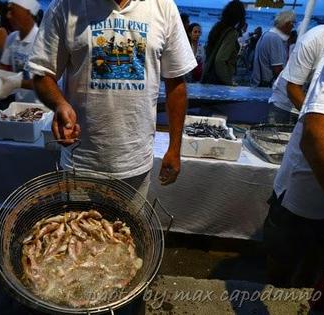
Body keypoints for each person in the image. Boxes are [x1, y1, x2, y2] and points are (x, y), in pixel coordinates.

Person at [27, 0, 197, 196]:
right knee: (74, 225)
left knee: (129, 226)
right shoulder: (66, 5)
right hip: (80, 162)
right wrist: (59, 103)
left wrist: (175, 149)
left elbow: (176, 84)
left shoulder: (163, 6)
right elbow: (42, 73)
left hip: (135, 164)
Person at [263, 34, 324, 288]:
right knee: (283, 254)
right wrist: (311, 114)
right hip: (302, 183)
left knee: (317, 257)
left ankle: (303, 294)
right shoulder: (317, 37)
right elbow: (292, 86)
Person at [267, 24, 324, 125]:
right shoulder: (314, 39)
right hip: (286, 106)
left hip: (314, 107)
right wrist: (314, 119)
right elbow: (292, 88)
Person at [0, 0, 40, 102]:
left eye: (12, 11)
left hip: (41, 108)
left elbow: (46, 82)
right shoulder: (12, 38)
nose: (8, 16)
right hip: (20, 105)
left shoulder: (41, 40)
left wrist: (16, 83)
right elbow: (2, 67)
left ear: (28, 12)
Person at [202, 0, 246, 86]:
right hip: (218, 82)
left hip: (208, 77)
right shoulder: (232, 33)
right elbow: (220, 60)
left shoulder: (218, 28)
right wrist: (229, 82)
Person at [251, 10, 296, 87]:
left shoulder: (267, 34)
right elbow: (277, 69)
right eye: (293, 23)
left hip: (258, 83)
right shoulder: (275, 39)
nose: (293, 27)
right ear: (287, 23)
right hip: (265, 86)